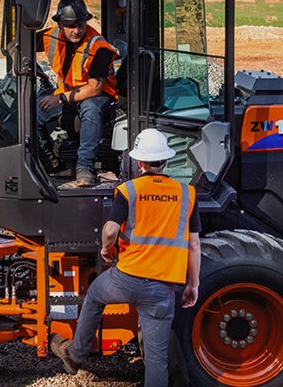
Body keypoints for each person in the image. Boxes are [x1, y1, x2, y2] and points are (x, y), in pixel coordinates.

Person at [49, 128, 201, 387]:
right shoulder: (187, 193)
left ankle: (75, 355)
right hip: (162, 288)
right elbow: (194, 245)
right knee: (156, 360)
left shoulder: (129, 190)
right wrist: (193, 284)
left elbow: (110, 230)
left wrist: (106, 249)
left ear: (140, 162)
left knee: (95, 296)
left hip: (126, 278)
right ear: (166, 161)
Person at [38, 0, 119, 187]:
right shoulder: (52, 36)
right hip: (68, 95)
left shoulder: (98, 47)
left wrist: (59, 99)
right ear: (60, 25)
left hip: (100, 96)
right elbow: (18, 45)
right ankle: (51, 162)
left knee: (90, 108)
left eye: (80, 25)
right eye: (71, 26)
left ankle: (85, 167)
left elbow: (95, 88)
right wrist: (18, 60)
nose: (76, 30)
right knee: (33, 107)